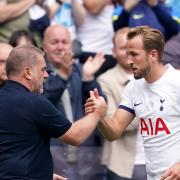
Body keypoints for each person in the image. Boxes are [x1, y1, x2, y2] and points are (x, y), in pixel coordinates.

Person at [85, 26, 180, 180]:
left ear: (153, 55)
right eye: (127, 54)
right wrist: (100, 115)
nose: (129, 61)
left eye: (134, 55)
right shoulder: (134, 87)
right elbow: (114, 131)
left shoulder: (177, 82)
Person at [0, 45, 107, 179]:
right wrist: (97, 113)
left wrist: (44, 176)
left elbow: (15, 150)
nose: (46, 75)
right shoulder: (35, 103)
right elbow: (75, 136)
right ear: (27, 72)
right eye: (43, 69)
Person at [42, 24, 106, 179]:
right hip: (52, 154)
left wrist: (88, 79)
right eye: (54, 42)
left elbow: (101, 108)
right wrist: (63, 76)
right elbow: (42, 102)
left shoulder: (82, 70)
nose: (60, 47)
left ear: (71, 45)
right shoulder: (38, 72)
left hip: (86, 154)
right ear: (44, 46)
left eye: (64, 42)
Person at [97, 27, 146, 180]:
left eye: (132, 48)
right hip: (122, 162)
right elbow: (112, 120)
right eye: (123, 48)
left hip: (158, 159)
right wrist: (153, 111)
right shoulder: (105, 80)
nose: (128, 52)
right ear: (113, 51)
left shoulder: (153, 76)